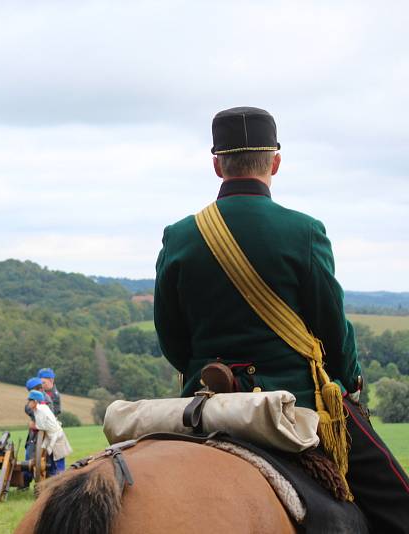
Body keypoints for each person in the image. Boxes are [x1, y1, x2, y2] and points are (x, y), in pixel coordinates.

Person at [154, 106, 409, 532]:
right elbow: (332, 330)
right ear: (275, 161)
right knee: (399, 503)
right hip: (295, 400)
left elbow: (172, 338)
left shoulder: (179, 235)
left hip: (203, 403)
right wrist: (349, 380)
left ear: (217, 165)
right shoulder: (304, 231)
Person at [26, 390, 72, 476]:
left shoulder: (42, 410)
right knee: (52, 461)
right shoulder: (37, 410)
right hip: (50, 437)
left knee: (59, 462)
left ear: (35, 401)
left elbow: (44, 426)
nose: (28, 403)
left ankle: (61, 479)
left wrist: (34, 426)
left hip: (57, 437)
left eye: (30, 400)